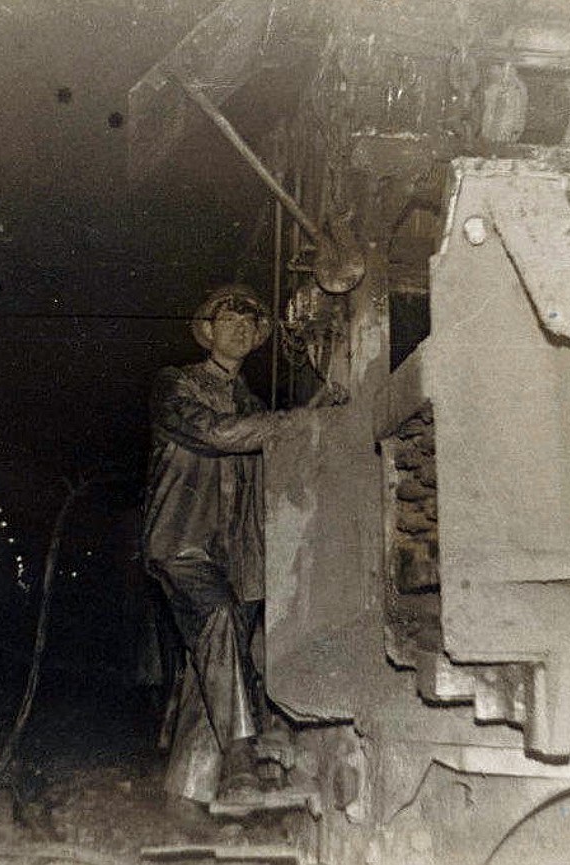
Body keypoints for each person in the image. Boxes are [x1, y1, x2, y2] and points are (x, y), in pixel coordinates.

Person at [141, 284, 343, 805]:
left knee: (216, 660)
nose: (239, 327)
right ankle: (239, 757)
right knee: (219, 623)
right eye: (227, 317)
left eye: (250, 323)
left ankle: (185, 798)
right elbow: (215, 433)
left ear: (257, 339)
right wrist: (295, 421)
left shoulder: (252, 404)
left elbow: (279, 454)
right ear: (207, 330)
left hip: (239, 555)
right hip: (182, 543)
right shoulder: (176, 385)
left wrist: (322, 412)